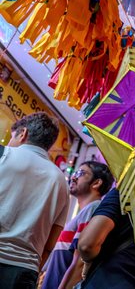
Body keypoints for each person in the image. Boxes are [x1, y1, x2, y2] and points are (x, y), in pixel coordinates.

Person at [0, 112, 69, 289]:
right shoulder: (61, 182)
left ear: (23, 134)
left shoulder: (4, 154)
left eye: (12, 137)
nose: (9, 142)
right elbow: (50, 244)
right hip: (24, 272)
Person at [41, 161, 114, 289]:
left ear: (97, 183)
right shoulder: (84, 212)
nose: (73, 177)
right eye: (75, 172)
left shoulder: (93, 209)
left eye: (81, 173)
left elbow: (80, 263)